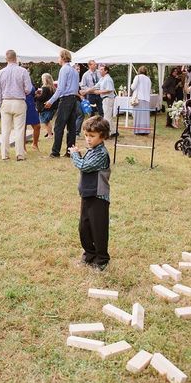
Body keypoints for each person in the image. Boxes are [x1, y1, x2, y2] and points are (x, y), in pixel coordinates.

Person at [68, 115, 111, 271]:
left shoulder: (101, 153)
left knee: (98, 229)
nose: (88, 139)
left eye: (92, 136)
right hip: (87, 194)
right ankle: (89, 255)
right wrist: (79, 154)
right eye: (86, 135)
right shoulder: (92, 150)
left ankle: (102, 259)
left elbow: (84, 166)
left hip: (98, 197)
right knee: (84, 228)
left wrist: (74, 155)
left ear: (102, 136)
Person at [0, 49, 33, 161]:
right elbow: (29, 88)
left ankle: (4, 155)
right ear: (16, 58)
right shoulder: (23, 71)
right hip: (19, 101)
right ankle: (20, 154)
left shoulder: (1, 72)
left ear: (6, 59)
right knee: (19, 130)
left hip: (6, 101)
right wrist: (23, 91)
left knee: (5, 130)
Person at [45, 49, 80, 157]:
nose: (58, 59)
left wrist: (51, 101)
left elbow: (60, 88)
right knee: (71, 127)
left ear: (63, 58)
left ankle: (55, 152)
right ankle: (70, 151)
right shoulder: (74, 70)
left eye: (59, 57)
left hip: (66, 99)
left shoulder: (64, 69)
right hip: (74, 99)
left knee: (59, 126)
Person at [86, 64, 116, 136]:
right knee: (108, 115)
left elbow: (110, 90)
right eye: (100, 69)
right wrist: (86, 91)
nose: (100, 71)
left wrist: (99, 92)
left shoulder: (108, 79)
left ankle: (108, 133)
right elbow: (95, 86)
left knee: (107, 117)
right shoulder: (102, 79)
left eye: (102, 69)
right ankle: (114, 132)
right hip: (104, 99)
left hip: (108, 98)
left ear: (106, 71)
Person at [130, 65, 152, 135]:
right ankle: (145, 131)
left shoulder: (137, 77)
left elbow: (133, 87)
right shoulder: (148, 79)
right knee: (145, 116)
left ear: (139, 71)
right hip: (146, 99)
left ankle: (138, 130)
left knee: (138, 115)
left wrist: (131, 85)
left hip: (139, 98)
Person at [36, 73, 56, 138]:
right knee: (47, 121)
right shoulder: (53, 88)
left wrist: (36, 96)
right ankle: (49, 132)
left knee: (46, 121)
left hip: (45, 107)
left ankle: (50, 134)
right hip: (51, 107)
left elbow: (42, 98)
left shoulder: (45, 88)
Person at [25, 84, 41, 150]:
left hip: (31, 104)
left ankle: (35, 144)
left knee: (37, 125)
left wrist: (35, 93)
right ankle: (23, 147)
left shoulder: (29, 79)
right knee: (23, 127)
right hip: (22, 103)